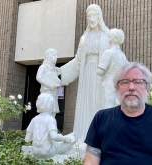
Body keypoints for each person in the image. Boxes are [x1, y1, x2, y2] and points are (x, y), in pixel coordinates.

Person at [84, 62, 152, 165]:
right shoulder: (101, 118)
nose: (131, 87)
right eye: (125, 82)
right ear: (116, 89)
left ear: (148, 89)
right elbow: (90, 162)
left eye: (138, 82)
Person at [60, 4, 110, 142]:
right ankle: (84, 135)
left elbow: (111, 57)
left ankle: (99, 137)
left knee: (98, 103)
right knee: (86, 103)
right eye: (89, 16)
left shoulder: (106, 35)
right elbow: (77, 61)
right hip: (87, 73)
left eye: (94, 15)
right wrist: (60, 71)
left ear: (99, 17)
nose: (91, 19)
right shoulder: (84, 37)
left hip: (100, 75)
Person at [23, 93, 75, 159]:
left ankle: (69, 141)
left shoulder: (34, 119)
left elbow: (27, 139)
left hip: (35, 151)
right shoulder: (50, 119)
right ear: (50, 105)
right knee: (72, 140)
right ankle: (70, 137)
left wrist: (38, 139)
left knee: (57, 144)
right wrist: (65, 138)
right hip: (47, 151)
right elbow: (54, 137)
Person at [97, 28, 128, 108]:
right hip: (119, 83)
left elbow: (100, 71)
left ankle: (108, 120)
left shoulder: (108, 53)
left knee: (108, 105)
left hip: (109, 82)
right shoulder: (122, 55)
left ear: (110, 38)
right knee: (117, 105)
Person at [36, 48, 61, 117]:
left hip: (54, 91)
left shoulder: (54, 69)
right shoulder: (43, 67)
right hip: (46, 91)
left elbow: (56, 76)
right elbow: (38, 77)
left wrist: (58, 71)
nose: (56, 57)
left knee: (53, 110)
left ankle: (52, 125)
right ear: (50, 56)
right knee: (46, 110)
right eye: (55, 55)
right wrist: (49, 85)